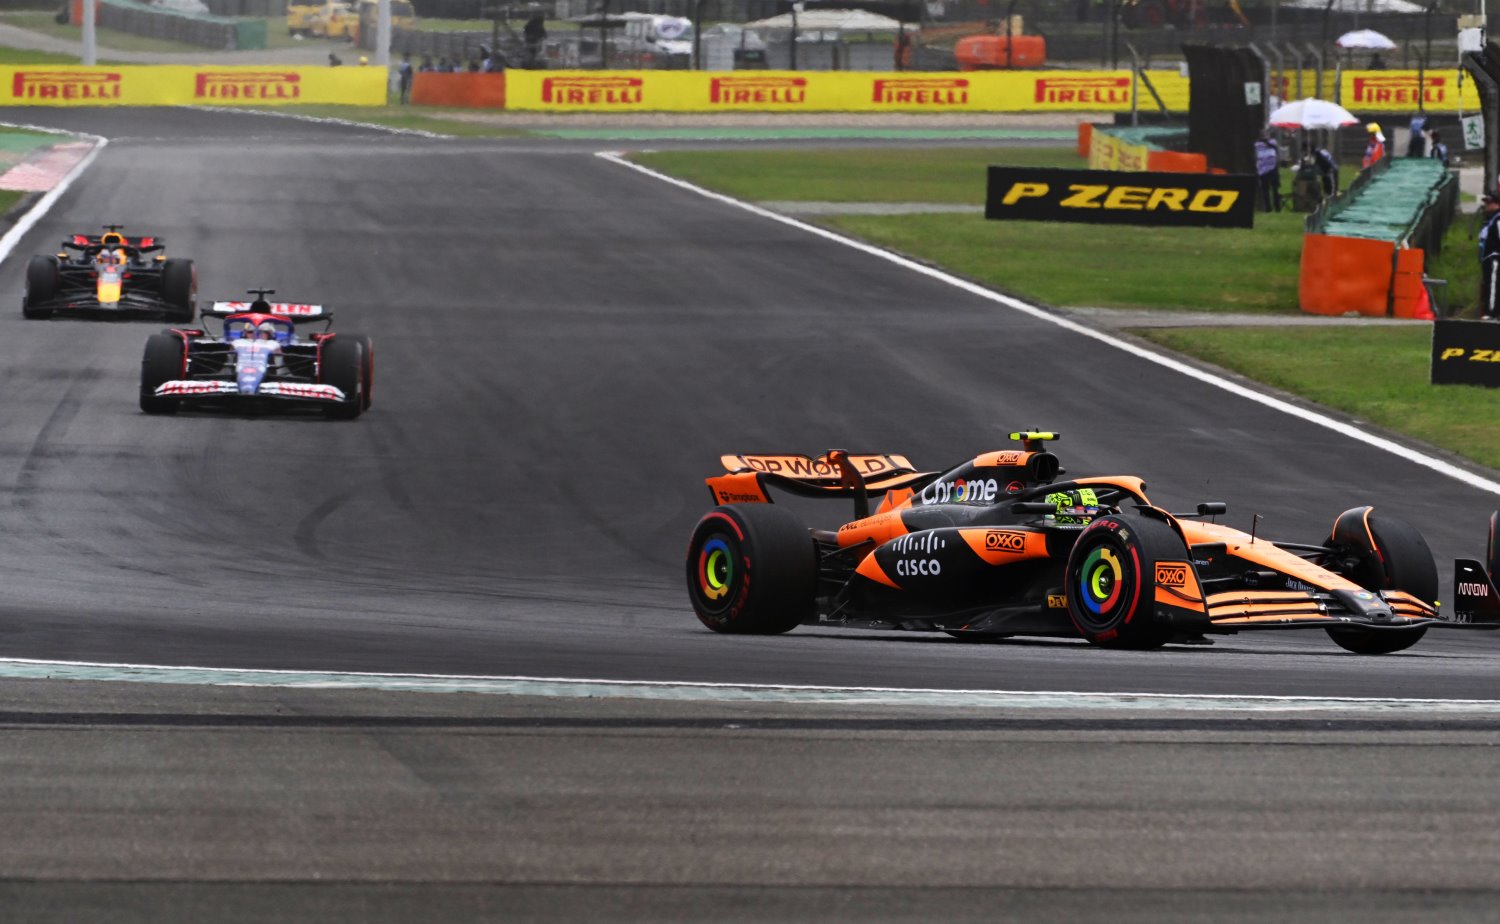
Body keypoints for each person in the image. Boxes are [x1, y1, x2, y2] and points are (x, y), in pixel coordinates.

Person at [1480, 194, 1500, 320]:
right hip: (1488, 257)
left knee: (1493, 284)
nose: (1487, 205)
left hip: (1495, 257)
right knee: (1489, 283)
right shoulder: (1491, 218)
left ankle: (1492, 312)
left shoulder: (1498, 219)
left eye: (1490, 203)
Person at [1254, 133, 1280, 212]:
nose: (1264, 136)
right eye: (1263, 135)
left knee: (1275, 189)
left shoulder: (1273, 142)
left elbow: (1275, 148)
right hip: (1262, 170)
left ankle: (1277, 207)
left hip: (1273, 168)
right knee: (1265, 190)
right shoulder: (1257, 144)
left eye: (1266, 135)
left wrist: (1266, 142)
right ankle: (1268, 208)